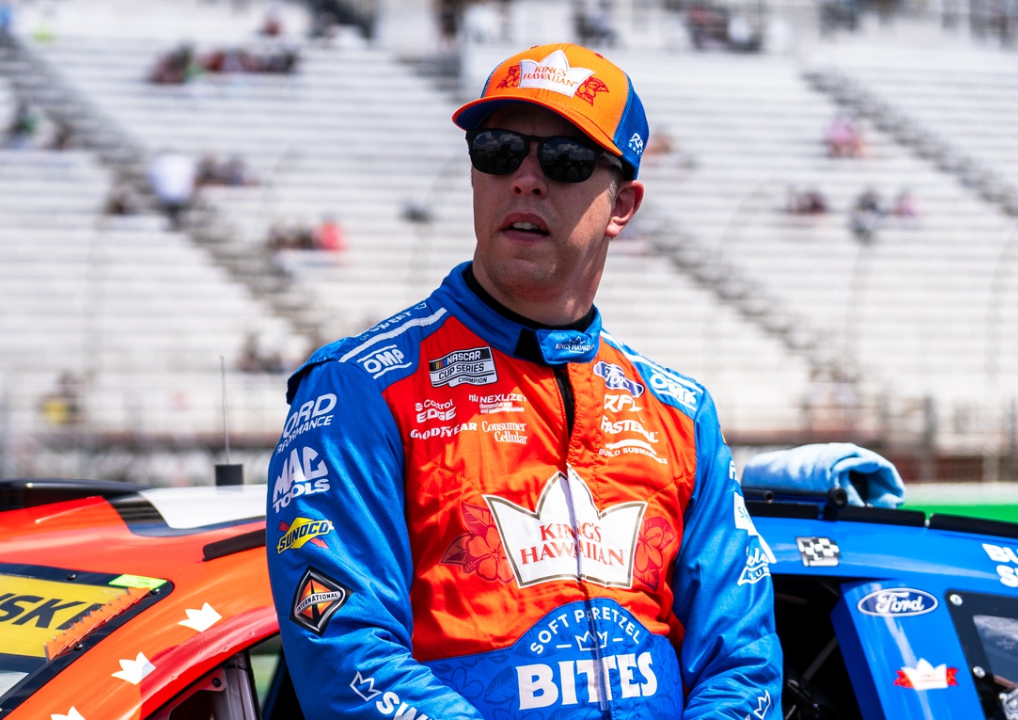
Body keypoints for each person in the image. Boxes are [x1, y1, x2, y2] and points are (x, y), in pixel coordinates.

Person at [266, 43, 783, 719]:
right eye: (499, 150)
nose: (525, 179)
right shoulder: (358, 391)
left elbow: (740, 661)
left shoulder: (680, 413)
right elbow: (345, 650)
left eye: (565, 160)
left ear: (622, 204)